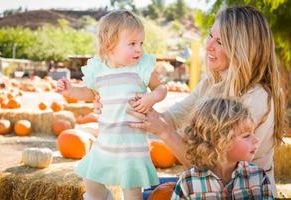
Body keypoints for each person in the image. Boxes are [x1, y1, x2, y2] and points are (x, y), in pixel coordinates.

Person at [94, 6, 286, 197]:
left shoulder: (256, 98)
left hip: (239, 191)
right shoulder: (212, 83)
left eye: (220, 42)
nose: (209, 45)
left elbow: (211, 167)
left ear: (243, 50)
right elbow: (171, 117)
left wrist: (164, 131)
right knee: (146, 185)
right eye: (211, 35)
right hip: (211, 183)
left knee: (148, 194)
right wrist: (119, 105)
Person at [57, 10, 167, 200]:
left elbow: (161, 88)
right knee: (91, 179)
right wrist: (71, 91)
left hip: (132, 145)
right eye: (132, 44)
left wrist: (152, 98)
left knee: (132, 191)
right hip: (106, 141)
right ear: (109, 46)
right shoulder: (98, 70)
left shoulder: (141, 68)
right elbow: (88, 92)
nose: (139, 49)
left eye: (141, 43)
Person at [171, 97, 273, 199]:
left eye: (253, 133)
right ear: (219, 141)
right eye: (246, 136)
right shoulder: (188, 183)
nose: (256, 140)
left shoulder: (258, 177)